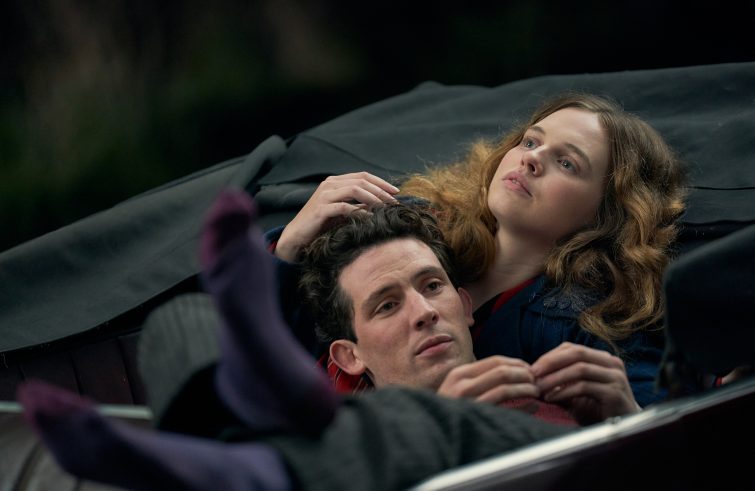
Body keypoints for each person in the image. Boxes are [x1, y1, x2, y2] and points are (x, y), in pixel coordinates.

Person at [18, 190, 573, 491]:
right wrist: (282, 254)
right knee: (181, 322)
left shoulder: (553, 399)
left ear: (465, 305)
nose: (424, 312)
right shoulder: (333, 393)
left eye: (431, 287)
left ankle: (233, 454)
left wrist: (614, 409)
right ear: (347, 356)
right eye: (386, 305)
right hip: (311, 428)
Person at [272, 92, 687, 415]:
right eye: (530, 141)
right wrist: (287, 250)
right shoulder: (410, 225)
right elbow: (286, 339)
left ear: (607, 211)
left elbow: (667, 431)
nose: (531, 159)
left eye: (567, 163)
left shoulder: (591, 322)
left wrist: (628, 415)